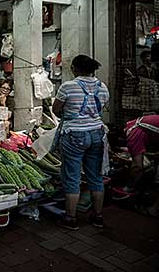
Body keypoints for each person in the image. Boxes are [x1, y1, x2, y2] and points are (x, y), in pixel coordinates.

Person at [52, 55, 110, 230]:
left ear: (75, 69)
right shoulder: (103, 87)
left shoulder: (68, 87)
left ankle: (70, 218)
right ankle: (98, 217)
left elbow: (56, 110)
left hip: (74, 135)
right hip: (97, 134)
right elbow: (101, 107)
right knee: (96, 176)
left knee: (72, 176)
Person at [121, 115, 159, 217]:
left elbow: (138, 167)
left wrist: (128, 187)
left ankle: (154, 209)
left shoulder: (133, 134)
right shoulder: (138, 122)